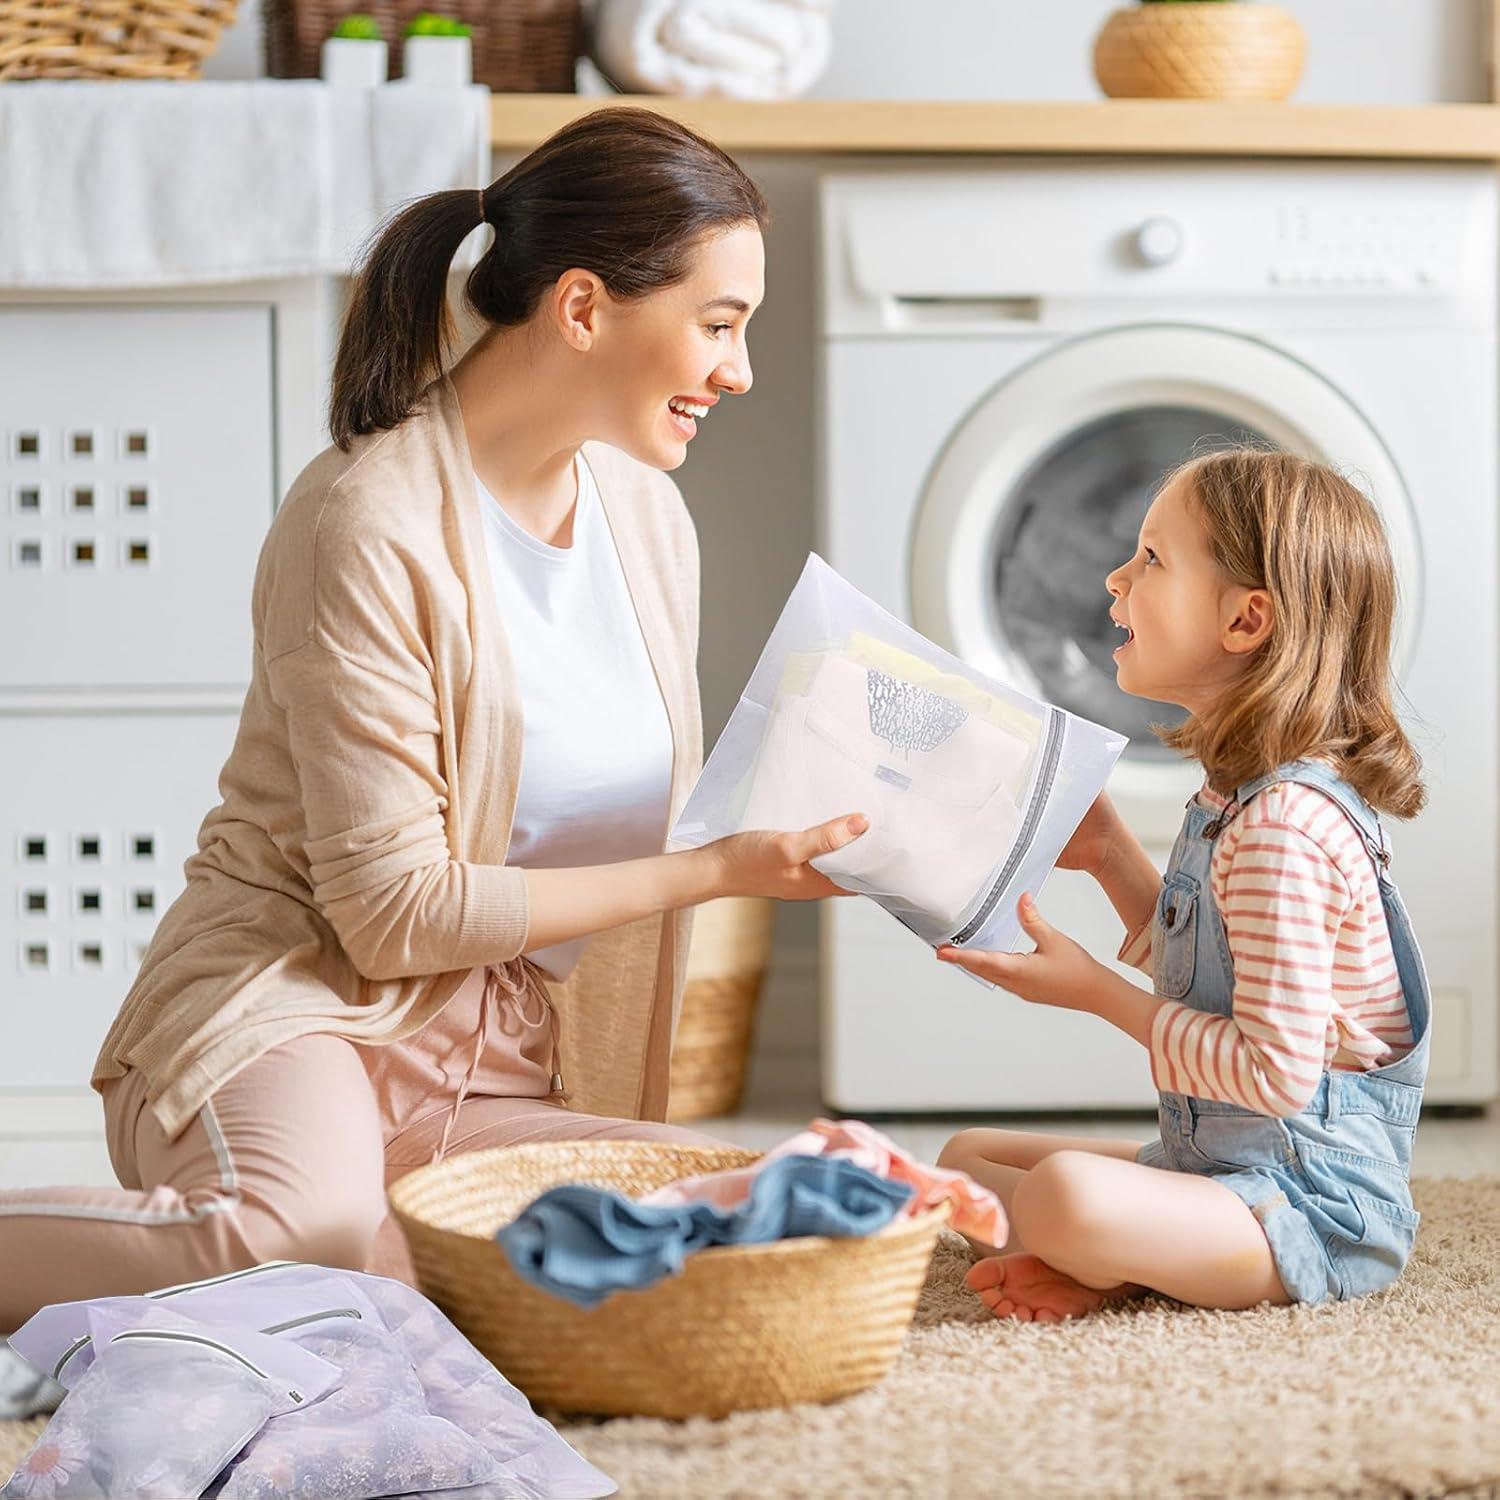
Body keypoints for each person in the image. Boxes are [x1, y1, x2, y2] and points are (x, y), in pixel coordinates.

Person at [0, 106, 867, 1333]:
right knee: (294, 1231)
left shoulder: (646, 517)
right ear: (581, 308)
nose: (738, 371)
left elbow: (601, 802)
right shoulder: (370, 520)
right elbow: (393, 913)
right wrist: (714, 872)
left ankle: (369, 1246)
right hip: (294, 1002)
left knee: (708, 1224)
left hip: (487, 1056)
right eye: (718, 326)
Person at [938, 449, 1430, 1319]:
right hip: (1219, 1175)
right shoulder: (1239, 797)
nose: (1116, 576)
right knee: (967, 1159)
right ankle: (1132, 1257)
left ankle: (1124, 1260)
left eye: (1153, 559)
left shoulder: (1284, 828)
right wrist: (1113, 859)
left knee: (1060, 1199)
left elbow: (1274, 1078)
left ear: (1246, 622)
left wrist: (1094, 992)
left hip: (1313, 1216)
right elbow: (1214, 974)